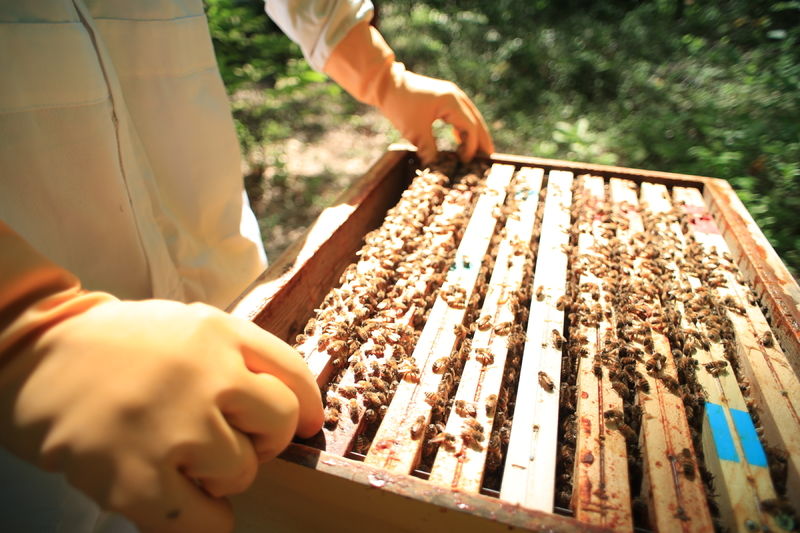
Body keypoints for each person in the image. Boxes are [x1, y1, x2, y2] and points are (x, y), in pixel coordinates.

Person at [0, 0, 494, 531]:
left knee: (263, 461)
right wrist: (25, 324)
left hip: (218, 261)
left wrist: (377, 70)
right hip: (36, 409)